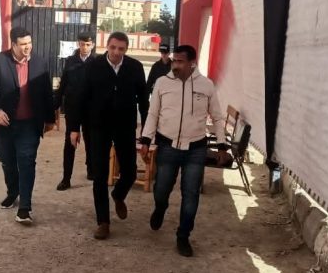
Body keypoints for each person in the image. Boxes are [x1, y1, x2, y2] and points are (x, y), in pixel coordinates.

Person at [139, 45, 225, 257]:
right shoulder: (162, 83)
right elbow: (153, 113)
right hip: (168, 147)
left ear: (192, 63)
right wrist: (146, 140)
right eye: (174, 60)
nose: (175, 65)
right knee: (161, 189)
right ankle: (160, 208)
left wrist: (222, 145)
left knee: (191, 194)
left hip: (195, 149)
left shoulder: (206, 85)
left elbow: (217, 117)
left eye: (180, 61)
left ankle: (183, 236)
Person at [68, 32, 148, 240]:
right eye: (113, 47)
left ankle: (118, 194)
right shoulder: (93, 67)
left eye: (121, 49)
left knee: (129, 172)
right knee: (100, 175)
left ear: (126, 49)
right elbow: (80, 97)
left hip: (125, 127)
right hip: (98, 127)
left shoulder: (135, 67)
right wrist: (74, 127)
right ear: (107, 46)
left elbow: (144, 100)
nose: (116, 52)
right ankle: (103, 221)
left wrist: (147, 131)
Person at [0, 27, 56, 225]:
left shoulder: (40, 62)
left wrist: (50, 119)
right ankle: (12, 192)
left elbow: (46, 92)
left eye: (29, 43)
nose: (28, 47)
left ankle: (25, 207)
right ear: (13, 45)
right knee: (8, 162)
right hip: (5, 124)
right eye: (23, 44)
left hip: (29, 125)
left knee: (26, 162)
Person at [54, 33, 96, 191]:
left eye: (88, 44)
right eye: (82, 44)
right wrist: (56, 104)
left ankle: (91, 169)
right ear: (78, 44)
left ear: (92, 45)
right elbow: (63, 83)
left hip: (90, 110)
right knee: (70, 143)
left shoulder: (97, 62)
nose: (84, 47)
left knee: (90, 141)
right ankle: (66, 179)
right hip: (72, 109)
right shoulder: (70, 61)